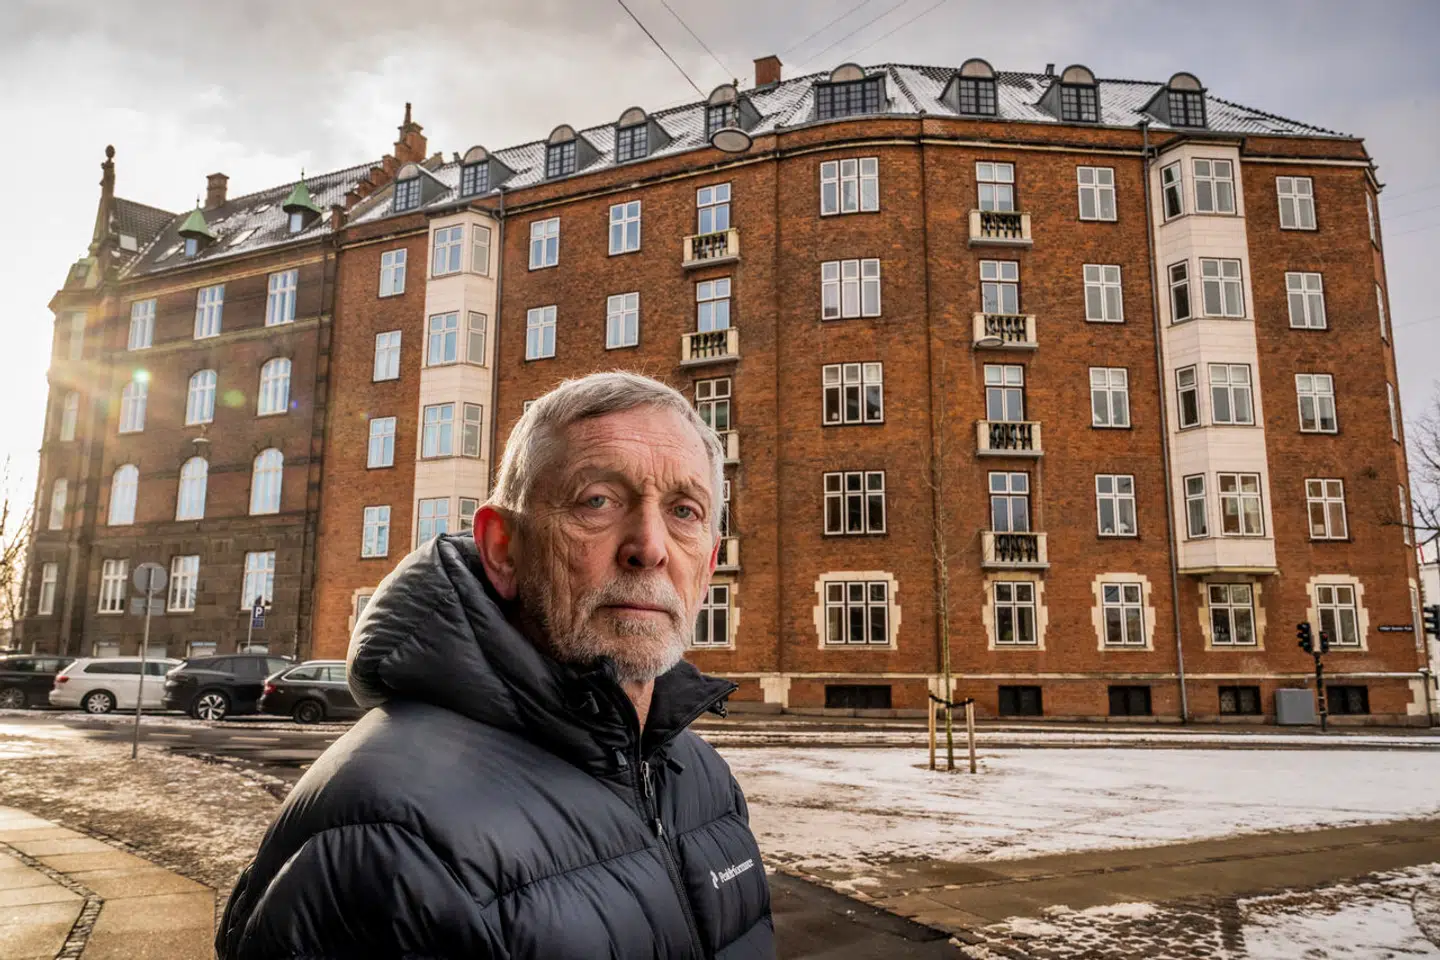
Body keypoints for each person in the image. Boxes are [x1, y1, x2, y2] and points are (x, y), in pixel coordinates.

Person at [216, 372, 774, 959]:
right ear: (503, 549)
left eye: (685, 511)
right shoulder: (385, 839)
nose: (650, 546)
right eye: (598, 501)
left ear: (708, 566)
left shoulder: (702, 776)